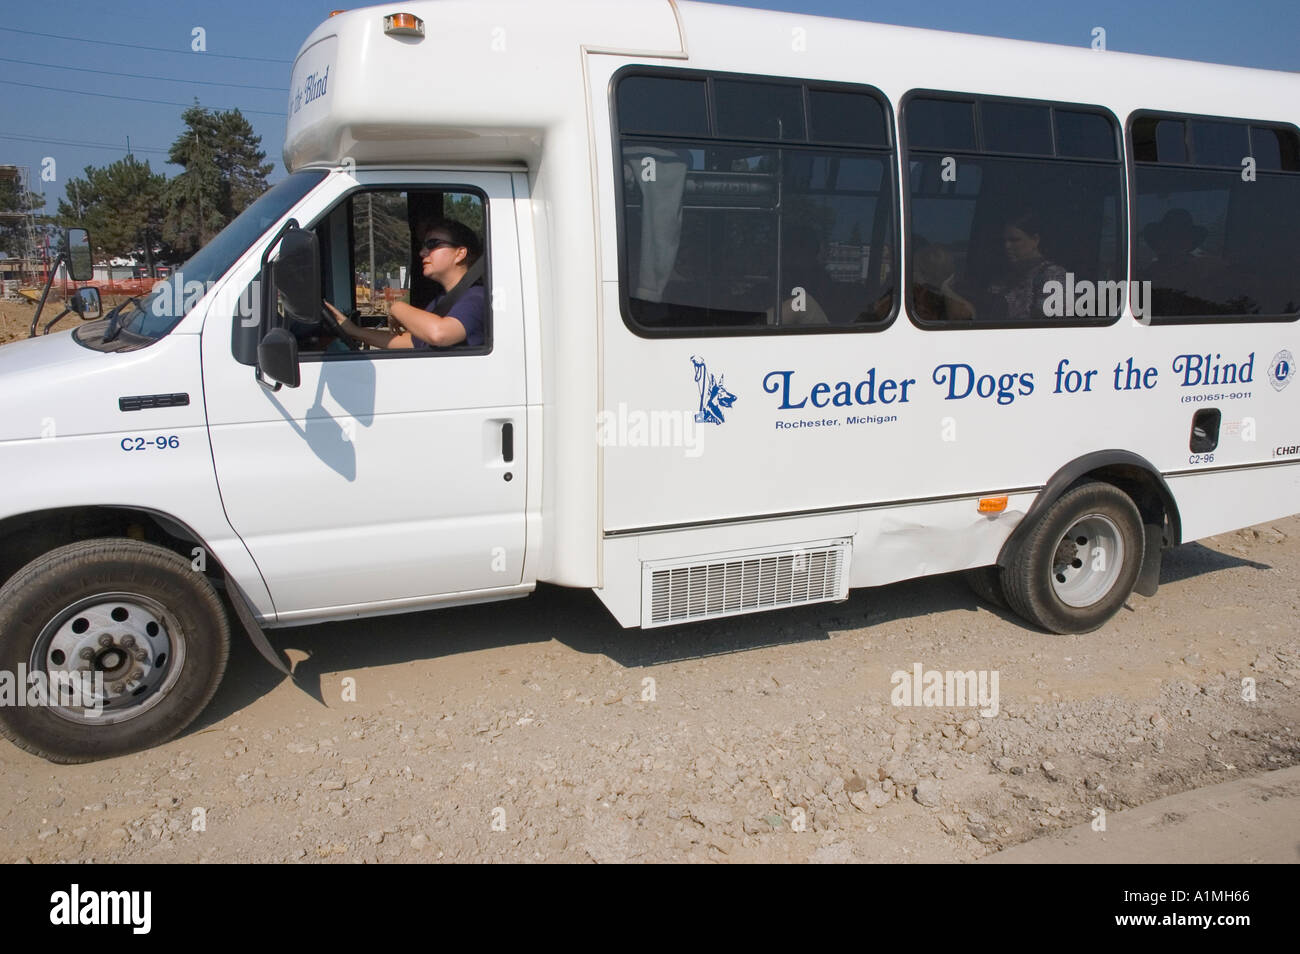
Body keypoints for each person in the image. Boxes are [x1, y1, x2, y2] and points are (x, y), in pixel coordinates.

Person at [325, 218, 486, 349]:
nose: (423, 252)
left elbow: (439, 334)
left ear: (460, 253)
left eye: (432, 244)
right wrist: (353, 331)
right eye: (424, 246)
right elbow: (412, 342)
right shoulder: (443, 300)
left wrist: (396, 307)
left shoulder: (476, 297)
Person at [984, 210, 1066, 321]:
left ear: (1035, 240)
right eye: (1004, 241)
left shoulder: (1053, 276)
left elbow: (1052, 327)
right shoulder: (1003, 278)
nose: (1007, 246)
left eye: (1014, 240)